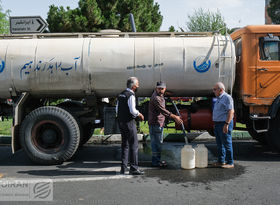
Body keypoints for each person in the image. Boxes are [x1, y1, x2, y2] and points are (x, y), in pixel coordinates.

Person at [148, 81, 183, 167]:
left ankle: (156, 161)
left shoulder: (158, 95)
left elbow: (161, 95)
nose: (160, 90)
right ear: (156, 88)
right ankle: (156, 162)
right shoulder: (156, 98)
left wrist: (165, 94)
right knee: (157, 143)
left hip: (156, 123)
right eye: (159, 88)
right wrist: (175, 117)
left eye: (162, 89)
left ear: (165, 89)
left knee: (156, 143)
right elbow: (163, 111)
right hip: (156, 123)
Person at [116, 77, 145, 175]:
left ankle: (123, 168)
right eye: (137, 85)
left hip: (121, 122)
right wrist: (139, 114)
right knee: (134, 144)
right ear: (133, 86)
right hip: (129, 122)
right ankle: (134, 168)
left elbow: (117, 109)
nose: (138, 86)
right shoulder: (131, 95)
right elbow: (132, 110)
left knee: (125, 145)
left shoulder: (121, 94)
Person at [212, 82, 235, 168]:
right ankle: (221, 161)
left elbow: (231, 111)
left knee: (226, 143)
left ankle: (230, 162)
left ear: (221, 90)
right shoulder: (219, 98)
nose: (213, 91)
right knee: (219, 144)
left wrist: (226, 124)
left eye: (215, 89)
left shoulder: (227, 98)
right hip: (218, 124)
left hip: (224, 123)